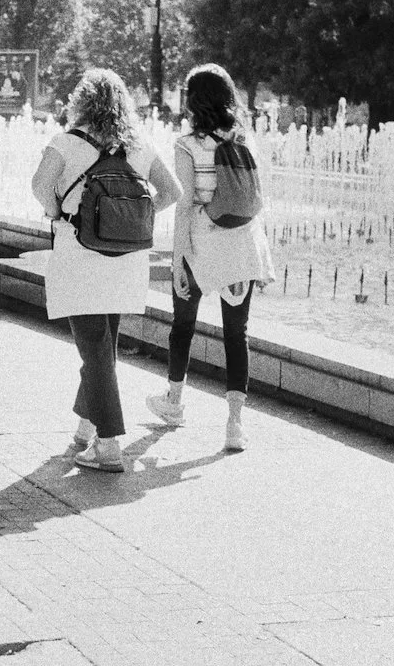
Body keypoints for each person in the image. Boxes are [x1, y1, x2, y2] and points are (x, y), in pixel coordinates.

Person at [30, 68, 181, 472]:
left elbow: (39, 185)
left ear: (81, 101)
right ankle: (85, 428)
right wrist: (136, 217)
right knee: (102, 345)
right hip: (127, 258)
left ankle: (110, 443)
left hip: (81, 255)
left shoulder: (66, 142)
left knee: (94, 347)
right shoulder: (138, 144)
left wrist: (58, 213)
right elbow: (172, 192)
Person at [146, 64, 275, 451]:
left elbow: (184, 205)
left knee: (183, 326)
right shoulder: (244, 139)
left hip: (202, 247)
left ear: (192, 102)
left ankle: (173, 402)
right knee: (237, 334)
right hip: (242, 245)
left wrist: (177, 259)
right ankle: (235, 424)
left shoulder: (186, 145)